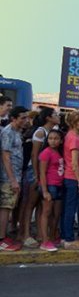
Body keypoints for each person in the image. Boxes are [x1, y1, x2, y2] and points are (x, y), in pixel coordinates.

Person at [19, 107, 59, 247]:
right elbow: (34, 155)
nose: (58, 116)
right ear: (48, 117)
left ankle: (39, 234)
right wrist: (36, 175)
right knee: (30, 203)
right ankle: (25, 234)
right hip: (34, 170)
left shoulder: (51, 132)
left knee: (41, 205)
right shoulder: (41, 132)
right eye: (55, 114)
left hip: (45, 171)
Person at [0, 107, 29, 250]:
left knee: (10, 206)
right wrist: (12, 179)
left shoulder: (17, 132)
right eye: (22, 118)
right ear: (13, 118)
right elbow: (5, 157)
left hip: (16, 175)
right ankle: (1, 239)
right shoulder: (8, 132)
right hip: (7, 177)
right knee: (5, 207)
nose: (26, 120)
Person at [61, 110, 79, 250]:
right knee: (70, 209)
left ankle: (66, 235)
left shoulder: (73, 136)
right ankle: (68, 238)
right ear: (74, 123)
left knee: (68, 208)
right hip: (73, 178)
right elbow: (75, 163)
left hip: (71, 177)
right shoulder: (75, 139)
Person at [38, 129, 64, 252]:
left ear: (61, 140)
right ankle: (44, 240)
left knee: (56, 213)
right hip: (50, 185)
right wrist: (45, 190)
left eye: (56, 138)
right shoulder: (46, 153)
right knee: (46, 213)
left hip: (59, 185)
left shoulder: (58, 152)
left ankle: (53, 236)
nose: (53, 141)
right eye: (50, 138)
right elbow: (42, 173)